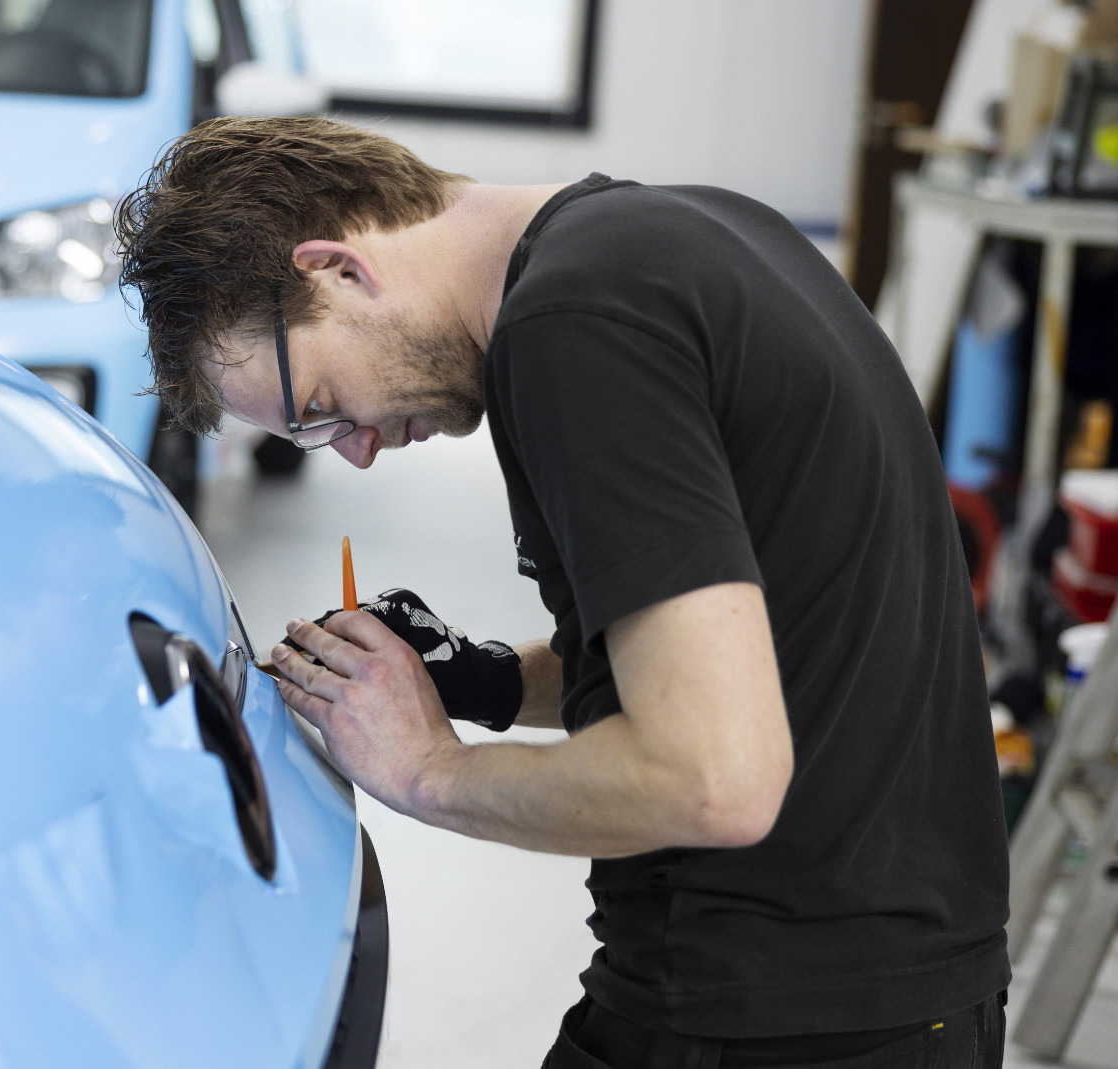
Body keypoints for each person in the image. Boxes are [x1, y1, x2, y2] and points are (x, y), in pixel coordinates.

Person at [115, 117, 1010, 1067]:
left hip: (772, 1018)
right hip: (891, 989)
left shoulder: (573, 328)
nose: (359, 451)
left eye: (323, 408)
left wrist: (427, 768)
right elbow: (750, 644)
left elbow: (714, 779)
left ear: (337, 268)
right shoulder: (691, 237)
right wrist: (482, 676)